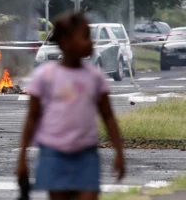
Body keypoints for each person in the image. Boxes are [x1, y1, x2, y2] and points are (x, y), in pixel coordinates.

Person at [16, 12, 125, 200]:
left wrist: (119, 152)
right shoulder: (45, 76)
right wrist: (22, 158)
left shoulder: (95, 77)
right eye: (85, 36)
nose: (91, 42)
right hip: (53, 154)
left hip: (87, 155)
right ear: (65, 42)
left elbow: (108, 116)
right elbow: (32, 118)